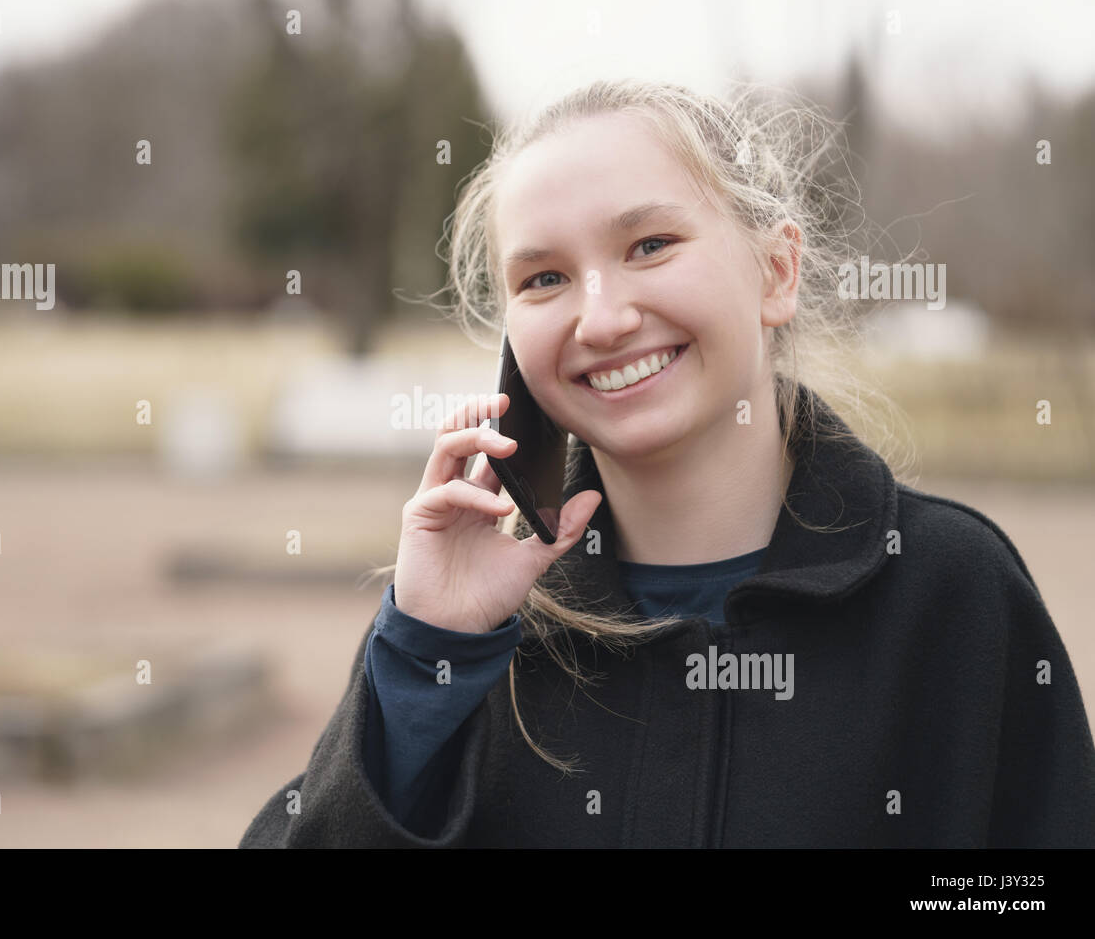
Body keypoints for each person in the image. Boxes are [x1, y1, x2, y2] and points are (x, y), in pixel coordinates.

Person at [239, 78, 1095, 847]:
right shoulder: (467, 632)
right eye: (543, 278)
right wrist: (426, 657)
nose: (602, 319)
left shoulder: (952, 592)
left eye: (649, 244)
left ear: (777, 270)